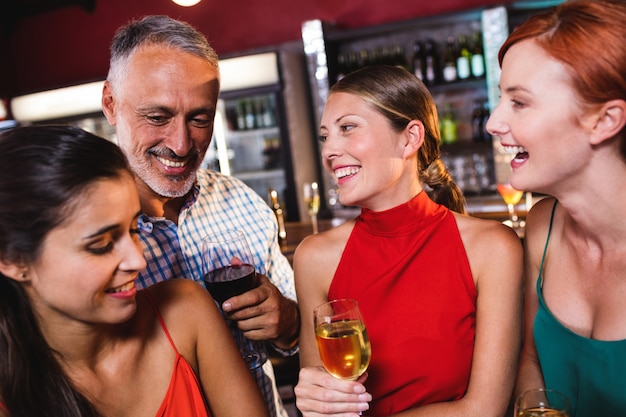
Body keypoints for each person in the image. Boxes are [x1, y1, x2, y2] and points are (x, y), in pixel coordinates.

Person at [292, 65, 523, 417]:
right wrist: (317, 401)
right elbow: (327, 399)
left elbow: (484, 410)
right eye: (326, 136)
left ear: (410, 138)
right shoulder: (314, 257)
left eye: (348, 128)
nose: (329, 151)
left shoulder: (492, 249)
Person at [100, 15, 299, 417]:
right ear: (111, 104)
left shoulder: (239, 200)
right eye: (157, 117)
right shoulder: (87, 228)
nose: (180, 144)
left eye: (199, 118)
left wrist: (287, 320)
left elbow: (295, 327)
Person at [0, 125, 268, 417]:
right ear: (12, 260)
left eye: (133, 229)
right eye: (101, 245)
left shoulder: (185, 309)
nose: (138, 261)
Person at [486, 1, 626, 415]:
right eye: (501, 99)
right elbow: (531, 364)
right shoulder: (542, 225)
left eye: (520, 102)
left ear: (604, 120)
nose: (493, 123)